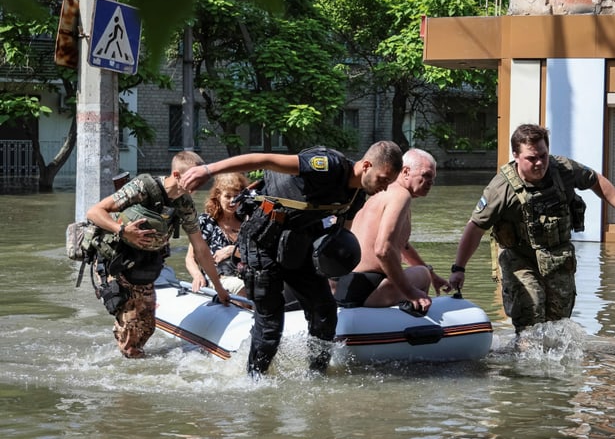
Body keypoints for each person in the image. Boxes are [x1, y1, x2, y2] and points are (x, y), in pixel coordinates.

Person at [180, 141, 404, 376]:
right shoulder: (327, 165)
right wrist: (207, 170)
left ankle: (317, 376)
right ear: (367, 165)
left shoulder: (357, 195)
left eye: (390, 182)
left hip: (300, 244)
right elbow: (264, 159)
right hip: (262, 241)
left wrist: (333, 271)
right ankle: (253, 382)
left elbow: (339, 236)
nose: (385, 187)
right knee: (270, 327)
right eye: (383, 179)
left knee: (325, 311)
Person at [448, 123, 615, 334]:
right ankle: (524, 362)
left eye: (543, 156)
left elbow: (596, 181)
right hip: (519, 259)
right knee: (531, 311)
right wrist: (459, 268)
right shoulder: (501, 189)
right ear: (516, 155)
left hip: (557, 256)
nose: (539, 163)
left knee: (558, 324)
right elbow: (475, 228)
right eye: (531, 158)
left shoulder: (563, 169)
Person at [86, 151, 231, 358]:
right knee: (132, 330)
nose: (199, 186)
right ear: (177, 175)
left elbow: (200, 248)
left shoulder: (184, 203)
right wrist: (123, 231)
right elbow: (94, 211)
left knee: (147, 328)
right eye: (194, 179)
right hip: (115, 262)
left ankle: (127, 354)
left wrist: (219, 288)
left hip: (143, 265)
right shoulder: (143, 187)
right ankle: (126, 376)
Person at [334, 148, 451, 314]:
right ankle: (416, 319)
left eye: (433, 178)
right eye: (425, 175)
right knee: (422, 274)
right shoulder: (401, 196)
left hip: (347, 286)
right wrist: (411, 291)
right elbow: (383, 250)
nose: (430, 182)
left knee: (425, 272)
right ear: (405, 171)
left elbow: (401, 245)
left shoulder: (379, 195)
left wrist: (434, 275)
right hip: (369, 288)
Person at [185, 172, 248, 296]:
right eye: (228, 196)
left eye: (236, 196)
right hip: (218, 279)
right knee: (244, 287)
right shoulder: (206, 221)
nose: (233, 201)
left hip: (245, 275)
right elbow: (190, 258)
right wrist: (197, 275)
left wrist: (232, 250)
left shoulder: (247, 222)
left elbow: (256, 256)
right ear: (218, 196)